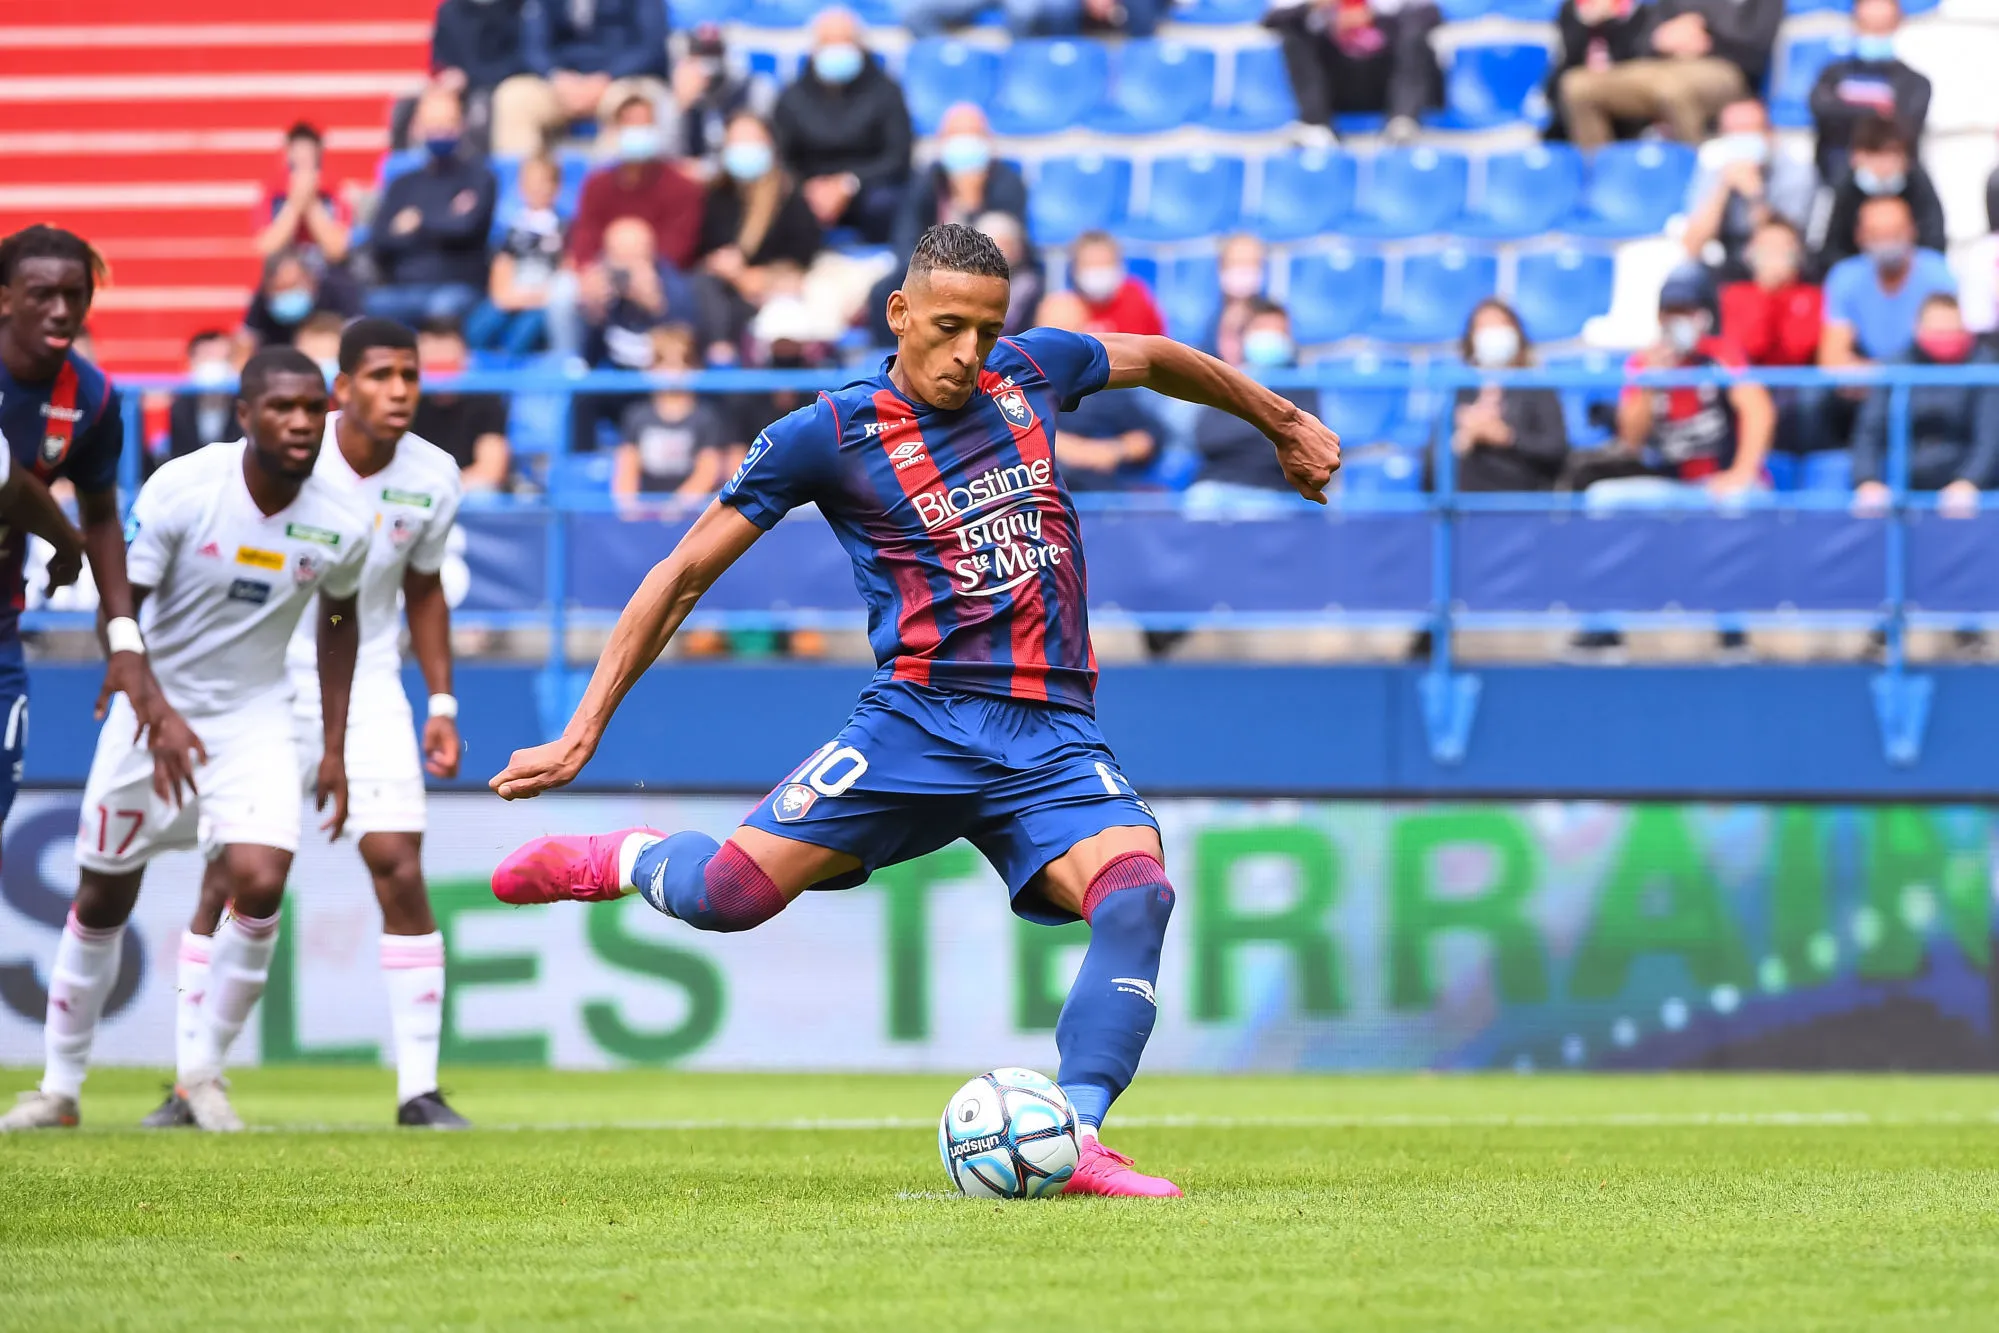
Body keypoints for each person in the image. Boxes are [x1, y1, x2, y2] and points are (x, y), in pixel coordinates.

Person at [482, 223, 1340, 1196]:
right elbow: (679, 573)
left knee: (1137, 893)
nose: (969, 353)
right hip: (917, 724)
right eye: (947, 327)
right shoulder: (826, 434)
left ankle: (1076, 1135)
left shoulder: (1032, 372)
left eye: (986, 330)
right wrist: (583, 728)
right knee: (728, 897)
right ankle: (622, 858)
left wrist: (1281, 421)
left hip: (1051, 734)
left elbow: (1153, 356)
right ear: (899, 313)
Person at [0, 346, 372, 1133]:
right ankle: (59, 1090)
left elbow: (340, 618)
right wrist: (150, 701)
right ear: (244, 414)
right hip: (151, 709)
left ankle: (200, 1077)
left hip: (255, 717)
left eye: (313, 407)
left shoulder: (343, 519)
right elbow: (119, 604)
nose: (301, 422)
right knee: (103, 896)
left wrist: (336, 745)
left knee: (261, 880)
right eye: (282, 407)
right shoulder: (185, 487)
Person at [144, 321, 470, 1132]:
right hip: (256, 685)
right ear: (342, 388)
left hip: (367, 682)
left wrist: (441, 702)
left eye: (410, 376)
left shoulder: (434, 474)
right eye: (381, 375)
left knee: (399, 862)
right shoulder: (290, 449)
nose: (400, 391)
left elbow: (424, 588)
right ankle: (191, 1080)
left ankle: (419, 1089)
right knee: (231, 878)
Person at [0, 226, 196, 863]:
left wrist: (125, 640)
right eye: (42, 294)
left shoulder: (92, 397)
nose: (61, 310)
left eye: (75, 294)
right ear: (5, 298)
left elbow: (103, 518)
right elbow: (7, 481)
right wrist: (64, 541)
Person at [1569, 268, 1772, 494]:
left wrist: (1743, 471)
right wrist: (1649, 383)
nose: (1678, 320)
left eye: (1686, 311)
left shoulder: (1721, 355)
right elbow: (1631, 440)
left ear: (1702, 316)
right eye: (1671, 312)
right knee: (1604, 496)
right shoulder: (1644, 363)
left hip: (1720, 479)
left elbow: (1759, 411)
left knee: (1741, 496)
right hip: (1668, 482)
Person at [547, 96, 706, 361]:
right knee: (564, 292)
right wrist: (589, 271)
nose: (638, 132)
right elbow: (585, 235)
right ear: (616, 131)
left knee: (675, 290)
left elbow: (681, 244)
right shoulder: (597, 184)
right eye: (630, 124)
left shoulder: (682, 186)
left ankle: (669, 365)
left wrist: (641, 270)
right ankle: (573, 366)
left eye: (645, 124)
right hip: (605, 267)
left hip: (660, 270)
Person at [1558, 0, 1785, 151]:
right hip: (1663, 64)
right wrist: (1660, 38)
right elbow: (1643, 39)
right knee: (1577, 85)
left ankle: (1698, 183)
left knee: (1670, 89)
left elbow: (1758, 47)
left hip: (1725, 69)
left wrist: (1707, 37)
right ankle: (1604, 181)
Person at [771, 9, 913, 246]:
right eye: (828, 41)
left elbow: (897, 157)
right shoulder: (792, 97)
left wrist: (848, 184)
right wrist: (808, 188)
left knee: (887, 202)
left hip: (867, 189)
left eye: (845, 41)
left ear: (860, 46)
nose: (836, 49)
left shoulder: (886, 92)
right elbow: (781, 157)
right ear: (814, 48)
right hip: (810, 190)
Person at [1853, 295, 1999, 517]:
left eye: (1953, 331)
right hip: (1905, 481)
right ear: (1918, 329)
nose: (1946, 338)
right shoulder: (1896, 366)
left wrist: (1970, 482)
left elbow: (1989, 437)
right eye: (1938, 331)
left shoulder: (1986, 368)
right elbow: (1869, 430)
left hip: (1967, 487)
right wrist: (1867, 480)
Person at [366, 88, 497, 327]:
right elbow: (380, 239)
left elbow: (465, 229)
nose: (441, 132)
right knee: (372, 306)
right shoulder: (402, 184)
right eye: (433, 124)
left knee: (442, 308)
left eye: (448, 123)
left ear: (462, 125)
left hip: (457, 287)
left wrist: (417, 222)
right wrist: (445, 218)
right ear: (418, 128)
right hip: (402, 288)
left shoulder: (479, 178)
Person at [696, 113, 825, 344]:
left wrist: (762, 277)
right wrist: (725, 267)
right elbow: (703, 250)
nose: (745, 149)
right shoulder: (715, 195)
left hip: (778, 292)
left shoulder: (789, 196)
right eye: (737, 142)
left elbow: (803, 257)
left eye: (752, 141)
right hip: (725, 291)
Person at [489, 0, 669, 157]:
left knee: (633, 105)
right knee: (514, 98)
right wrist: (556, 77)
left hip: (618, 80)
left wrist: (606, 78)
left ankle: (609, 183)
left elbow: (651, 46)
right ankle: (526, 183)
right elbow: (533, 46)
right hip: (562, 82)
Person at [1187, 299, 1320, 506]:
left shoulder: (1301, 387)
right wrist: (1270, 426)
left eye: (1278, 332)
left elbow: (1304, 447)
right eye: (1262, 329)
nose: (1269, 337)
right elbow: (1206, 438)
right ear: (1246, 335)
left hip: (1272, 489)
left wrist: (1245, 421)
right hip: (1216, 486)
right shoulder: (1227, 379)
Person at [1263, 0, 1443, 144]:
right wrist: (1314, 7)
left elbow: (1432, 14)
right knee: (1294, 38)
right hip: (1335, 86)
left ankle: (1403, 120)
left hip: (1385, 82)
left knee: (1414, 38)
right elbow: (1271, 20)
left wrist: (1373, 16)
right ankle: (1316, 124)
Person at [1679, 97, 1817, 285]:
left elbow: (1780, 243)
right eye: (1735, 132)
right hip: (1730, 260)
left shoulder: (1796, 171)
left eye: (1749, 131)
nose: (1743, 139)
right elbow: (1692, 245)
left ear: (1769, 134)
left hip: (1779, 262)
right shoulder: (1715, 166)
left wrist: (1755, 195)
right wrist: (1722, 188)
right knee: (1684, 278)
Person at [1719, 220, 1825, 455]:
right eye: (1767, 247)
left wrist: (1778, 295)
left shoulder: (1813, 296)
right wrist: (1766, 293)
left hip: (1795, 389)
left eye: (1782, 247)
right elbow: (1748, 348)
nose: (1774, 255)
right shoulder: (1735, 295)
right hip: (1748, 385)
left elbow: (1797, 351)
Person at [1037, 292, 1160, 491]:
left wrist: (1114, 450)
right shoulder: (1021, 382)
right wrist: (1066, 448)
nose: (1060, 342)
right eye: (1053, 331)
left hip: (1104, 489)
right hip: (1044, 487)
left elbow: (1149, 437)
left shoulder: (1107, 380)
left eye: (1070, 330)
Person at [1820, 195, 1955, 372]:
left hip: (1926, 379)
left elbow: (1948, 345)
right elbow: (1833, 359)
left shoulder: (1938, 273)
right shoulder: (1844, 277)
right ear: (1859, 235)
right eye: (1877, 234)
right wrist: (1881, 375)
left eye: (1894, 233)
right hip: (1869, 384)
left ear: (1912, 230)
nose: (1887, 242)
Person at [1448, 300, 1569, 493]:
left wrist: (1506, 437)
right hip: (1466, 495)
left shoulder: (1537, 388)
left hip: (1520, 492)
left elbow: (1555, 449)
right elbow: (1433, 458)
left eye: (1500, 325)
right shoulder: (1461, 391)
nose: (1493, 334)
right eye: (1484, 327)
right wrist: (1463, 436)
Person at [1808, 0, 1930, 184]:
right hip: (1833, 177)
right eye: (1868, 26)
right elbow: (1821, 110)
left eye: (1882, 28)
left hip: (1895, 183)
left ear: (1898, 25)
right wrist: (1878, 110)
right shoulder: (1831, 74)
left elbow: (1905, 125)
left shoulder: (1916, 82)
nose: (1874, 35)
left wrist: (1846, 111)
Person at [892, 103, 1027, 262]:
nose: (965, 143)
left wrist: (971, 205)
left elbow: (1010, 247)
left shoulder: (1007, 183)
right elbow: (905, 237)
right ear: (941, 141)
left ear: (988, 140)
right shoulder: (925, 181)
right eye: (956, 134)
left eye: (973, 134)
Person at [1812, 117, 1946, 274]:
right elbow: (1829, 248)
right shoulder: (1841, 189)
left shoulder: (1918, 185)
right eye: (1873, 156)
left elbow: (1934, 240)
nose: (1882, 166)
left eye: (1890, 156)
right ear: (1855, 158)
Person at [614, 325, 734, 499]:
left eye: (684, 361)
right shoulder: (636, 415)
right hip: (648, 509)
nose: (674, 371)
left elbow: (708, 471)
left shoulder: (707, 417)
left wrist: (676, 506)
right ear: (650, 368)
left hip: (694, 511)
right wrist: (631, 506)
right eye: (663, 362)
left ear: (695, 367)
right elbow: (626, 470)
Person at [467, 153, 565, 356]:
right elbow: (500, 284)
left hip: (543, 302)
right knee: (478, 328)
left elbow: (565, 278)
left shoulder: (565, 230)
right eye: (531, 182)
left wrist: (534, 298)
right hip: (512, 296)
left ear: (556, 187)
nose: (537, 188)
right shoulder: (510, 231)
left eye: (543, 181)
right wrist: (513, 298)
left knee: (523, 333)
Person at [411, 318, 512, 492]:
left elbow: (491, 471)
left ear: (464, 359)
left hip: (463, 490)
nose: (441, 373)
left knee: (482, 494)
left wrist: (442, 492)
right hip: (415, 491)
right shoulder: (405, 401)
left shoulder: (486, 400)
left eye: (448, 363)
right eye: (432, 365)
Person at [663, 23, 775, 178]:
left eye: (714, 55)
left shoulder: (754, 90)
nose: (707, 67)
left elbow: (761, 153)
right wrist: (679, 106)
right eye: (699, 57)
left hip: (740, 179)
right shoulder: (678, 96)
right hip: (694, 184)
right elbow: (666, 157)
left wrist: (709, 169)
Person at [1544, 0, 1652, 145]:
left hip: (1622, 103)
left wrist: (1610, 22)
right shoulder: (1571, 9)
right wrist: (1584, 24)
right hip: (1575, 104)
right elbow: (1571, 57)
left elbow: (1632, 60)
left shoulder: (1635, 11)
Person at [428, 0, 529, 148]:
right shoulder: (449, 10)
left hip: (498, 86)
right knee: (419, 107)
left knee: (480, 107)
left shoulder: (517, 9)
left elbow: (520, 61)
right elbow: (439, 59)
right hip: (455, 88)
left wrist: (468, 78)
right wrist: (447, 75)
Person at [254, 123, 352, 266]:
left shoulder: (334, 192)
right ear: (288, 153)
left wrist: (312, 204)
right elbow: (267, 247)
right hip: (284, 270)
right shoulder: (272, 193)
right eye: (298, 151)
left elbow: (337, 250)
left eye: (308, 152)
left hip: (324, 271)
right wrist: (294, 204)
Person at [239, 249, 356, 353]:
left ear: (309, 279)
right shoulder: (262, 301)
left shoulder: (335, 292)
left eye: (293, 286)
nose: (287, 294)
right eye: (280, 289)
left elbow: (354, 333)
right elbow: (246, 339)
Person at [161, 330, 239, 470]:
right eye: (208, 356)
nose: (216, 365)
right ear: (191, 361)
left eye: (225, 358)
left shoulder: (244, 408)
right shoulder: (179, 408)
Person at [1069, 231, 1164, 337]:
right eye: (1090, 265)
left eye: (1105, 263)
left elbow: (1159, 342)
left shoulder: (1138, 298)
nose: (1098, 272)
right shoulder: (1065, 309)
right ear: (1075, 269)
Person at [1207, 234, 1272, 364]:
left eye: (1251, 264)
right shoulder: (1211, 323)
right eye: (1236, 263)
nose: (1243, 271)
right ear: (1221, 267)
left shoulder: (1274, 317)